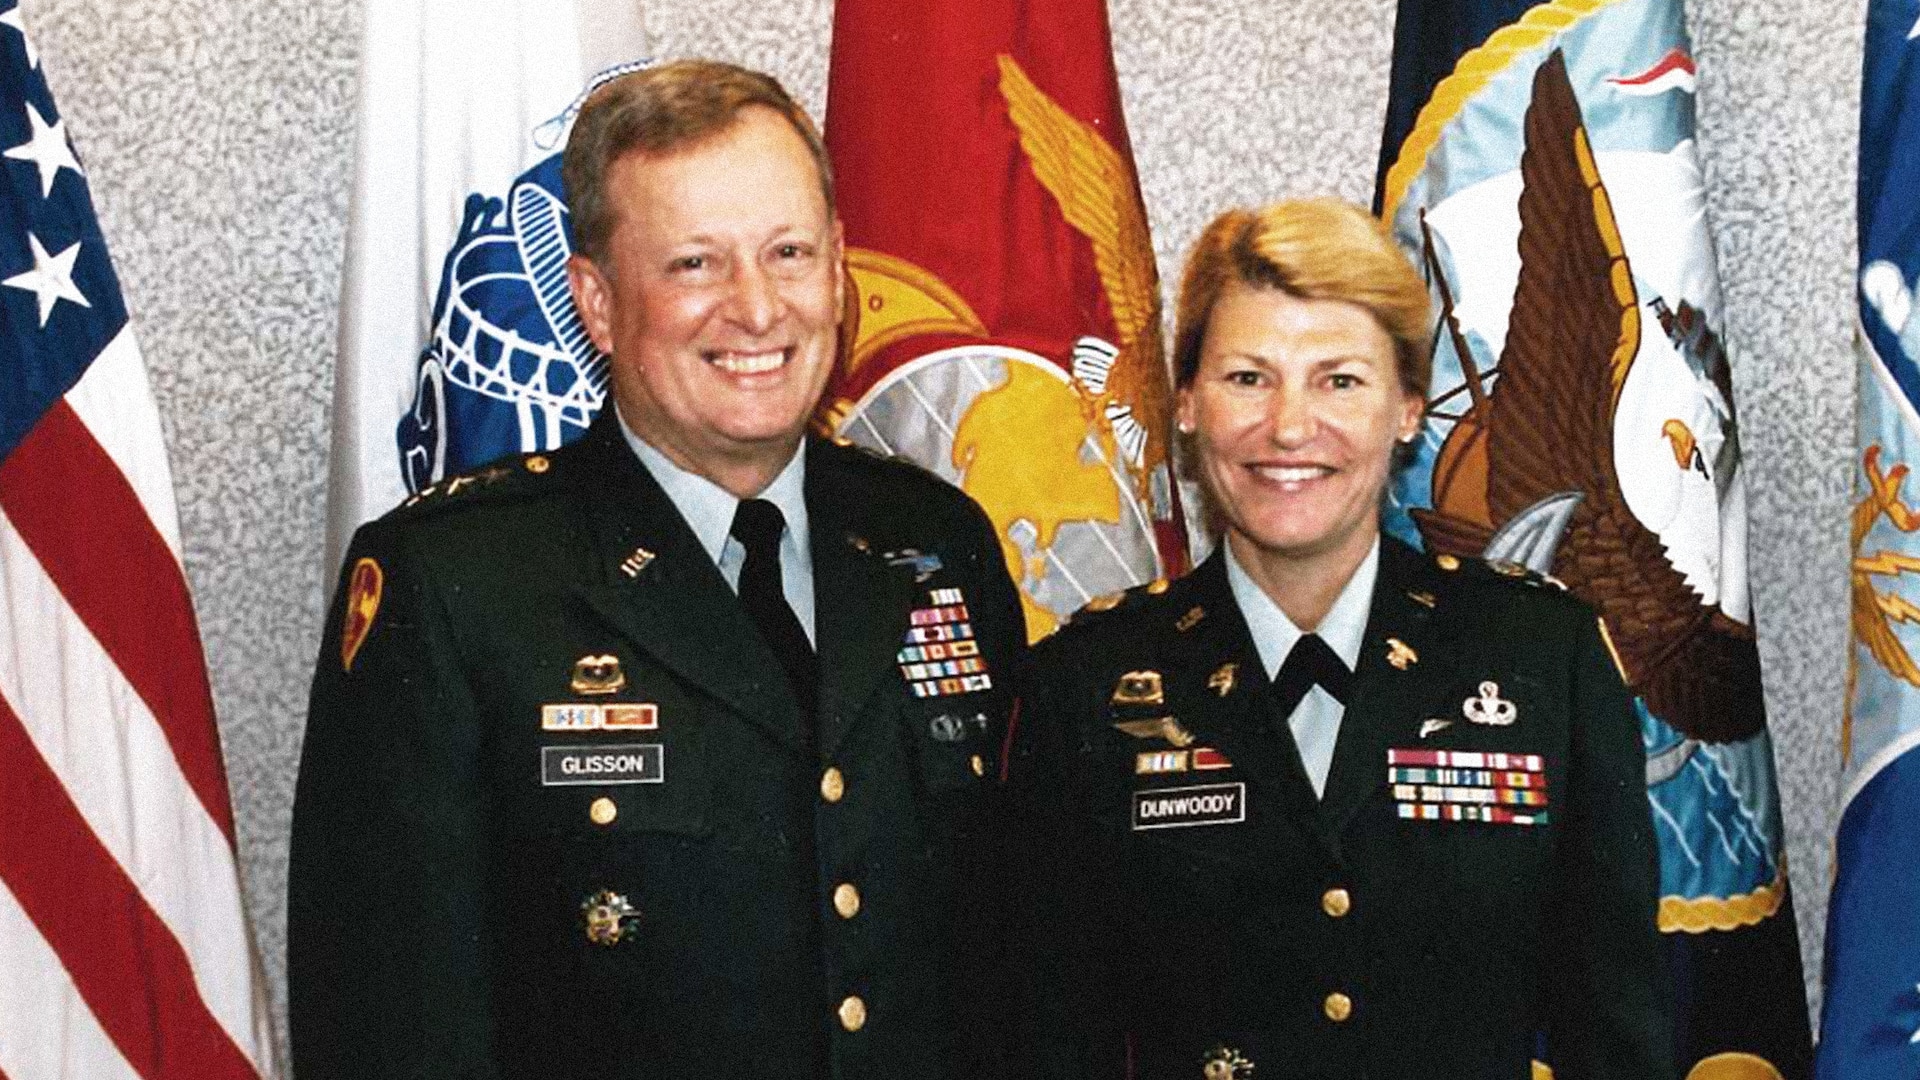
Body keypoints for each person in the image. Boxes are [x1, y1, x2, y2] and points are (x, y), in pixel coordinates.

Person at [289, 59, 1025, 1080]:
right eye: (694, 265)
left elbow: (1012, 976)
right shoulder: (454, 583)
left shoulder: (936, 544)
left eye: (789, 253)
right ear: (595, 299)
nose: (758, 309)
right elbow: (390, 1027)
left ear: (841, 266)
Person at [1010, 198, 1673, 1079]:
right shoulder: (1086, 684)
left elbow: (1618, 1033)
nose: (1289, 426)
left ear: (1406, 408)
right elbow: (1047, 1040)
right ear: (1185, 403)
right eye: (1248, 377)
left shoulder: (1540, 655)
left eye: (1339, 380)